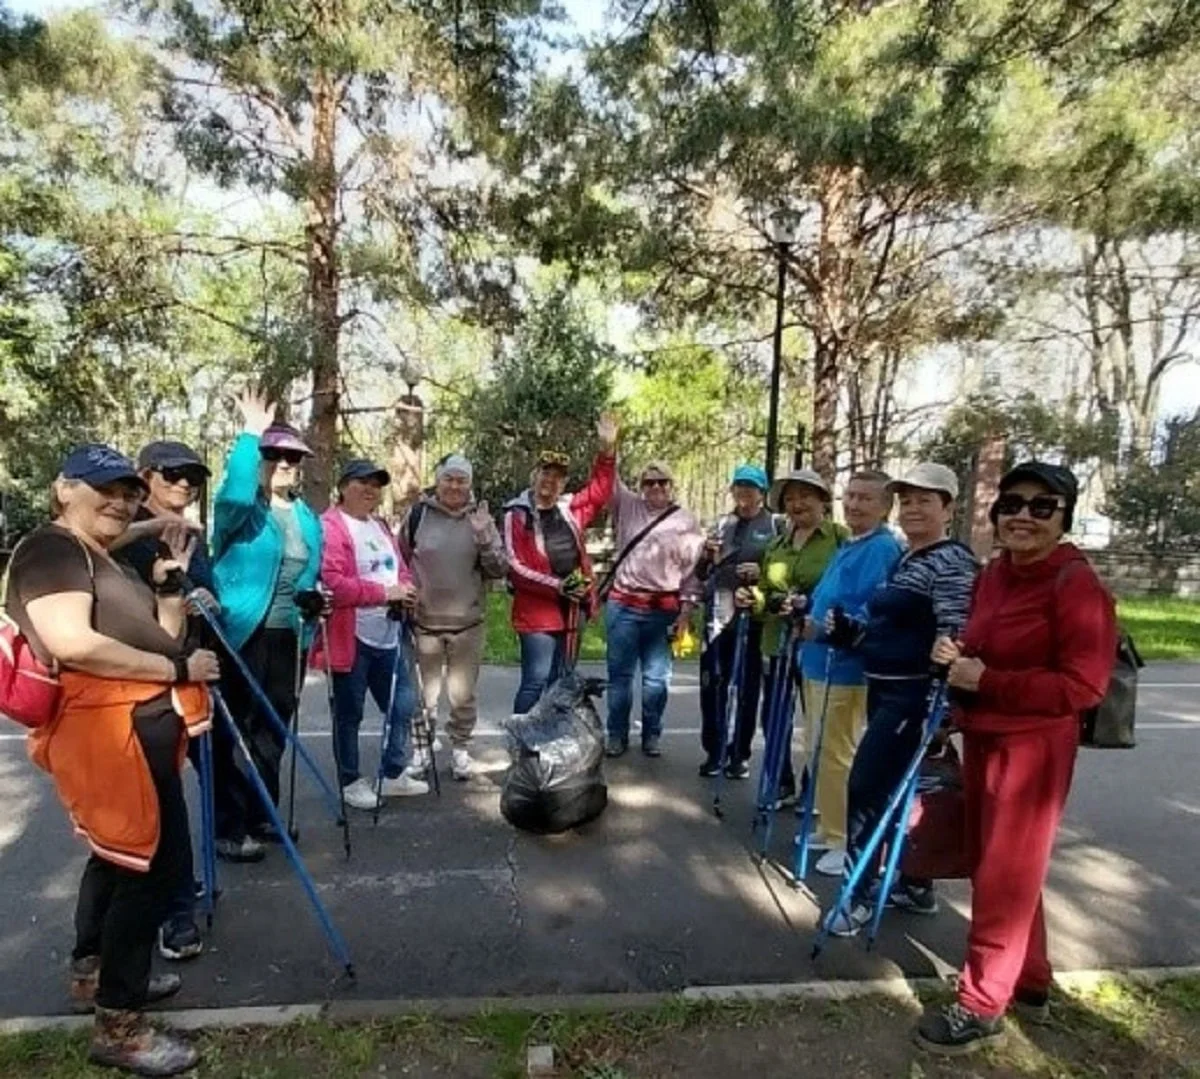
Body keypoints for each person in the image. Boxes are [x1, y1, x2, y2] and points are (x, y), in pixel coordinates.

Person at [5, 445, 220, 1076]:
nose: (122, 501)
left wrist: (168, 587)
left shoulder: (99, 556)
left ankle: (92, 976)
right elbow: (74, 643)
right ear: (62, 489)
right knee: (154, 870)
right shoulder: (51, 551)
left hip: (138, 732)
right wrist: (177, 667)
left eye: (130, 490)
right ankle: (119, 1028)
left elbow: (162, 628)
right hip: (108, 735)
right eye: (107, 488)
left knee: (117, 858)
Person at [915, 462, 1117, 1055]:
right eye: (1012, 504)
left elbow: (1084, 687)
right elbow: (981, 647)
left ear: (1063, 518)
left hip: (1033, 749)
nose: (1023, 516)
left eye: (1042, 506)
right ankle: (1028, 980)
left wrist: (990, 680)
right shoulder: (996, 573)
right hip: (983, 736)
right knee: (998, 866)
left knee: (1007, 871)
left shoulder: (1075, 584)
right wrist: (954, 657)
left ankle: (981, 1004)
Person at [821, 463, 977, 935]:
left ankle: (859, 897)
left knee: (866, 790)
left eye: (924, 501)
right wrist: (851, 632)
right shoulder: (909, 558)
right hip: (886, 688)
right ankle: (914, 883)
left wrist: (942, 705)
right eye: (906, 500)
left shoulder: (951, 561)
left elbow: (958, 636)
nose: (912, 509)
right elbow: (890, 631)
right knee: (899, 793)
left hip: (914, 700)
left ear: (948, 508)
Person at [211, 389, 323, 858]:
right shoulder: (239, 510)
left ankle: (264, 814)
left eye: (292, 458)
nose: (283, 463)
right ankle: (229, 828)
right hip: (243, 633)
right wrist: (251, 434)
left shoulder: (305, 516)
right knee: (237, 730)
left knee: (273, 729)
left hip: (288, 636)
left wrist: (316, 602)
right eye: (273, 455)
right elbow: (235, 491)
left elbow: (310, 570)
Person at [119, 441, 215, 961]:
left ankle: (180, 893)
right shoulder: (115, 539)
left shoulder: (191, 532)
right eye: (172, 474)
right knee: (156, 805)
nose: (183, 484)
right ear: (145, 477)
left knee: (185, 789)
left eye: (191, 476)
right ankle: (173, 912)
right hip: (132, 687)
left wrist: (197, 591)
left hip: (185, 673)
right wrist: (152, 534)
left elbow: (196, 592)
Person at [799, 470, 903, 875]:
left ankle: (845, 838)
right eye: (851, 496)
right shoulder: (850, 543)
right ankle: (828, 825)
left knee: (836, 751)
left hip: (842, 663)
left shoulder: (881, 548)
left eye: (866, 498)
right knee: (817, 749)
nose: (855, 504)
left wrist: (824, 626)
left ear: (884, 507)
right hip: (816, 659)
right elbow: (828, 595)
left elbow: (872, 610)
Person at [317, 459, 428, 809]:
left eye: (376, 484)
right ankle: (350, 780)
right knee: (349, 713)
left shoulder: (379, 525)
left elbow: (401, 568)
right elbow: (333, 583)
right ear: (343, 486)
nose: (369, 489)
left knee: (402, 706)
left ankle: (393, 773)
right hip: (351, 636)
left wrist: (407, 589)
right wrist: (384, 594)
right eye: (361, 482)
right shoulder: (330, 526)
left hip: (388, 633)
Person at [398, 454, 508, 781]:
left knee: (463, 695)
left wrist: (485, 538)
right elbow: (400, 559)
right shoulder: (418, 515)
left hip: (467, 625)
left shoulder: (481, 518)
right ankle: (421, 749)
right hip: (425, 623)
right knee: (422, 694)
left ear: (470, 484)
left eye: (462, 480)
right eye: (450, 478)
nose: (455, 485)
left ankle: (460, 751)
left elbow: (499, 568)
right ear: (439, 480)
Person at [503, 414, 619, 714]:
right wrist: (559, 586)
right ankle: (522, 739)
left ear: (563, 482)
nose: (550, 480)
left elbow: (599, 492)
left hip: (573, 609)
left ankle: (552, 739)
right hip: (537, 612)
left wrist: (607, 452)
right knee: (536, 680)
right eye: (545, 473)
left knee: (562, 679)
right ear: (534, 475)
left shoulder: (569, 509)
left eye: (557, 476)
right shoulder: (517, 514)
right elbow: (515, 567)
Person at [747, 468, 848, 805]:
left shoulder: (840, 539)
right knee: (775, 715)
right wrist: (758, 600)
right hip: (777, 640)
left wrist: (813, 605)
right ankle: (780, 783)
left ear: (823, 500)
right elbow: (764, 592)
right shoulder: (777, 544)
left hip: (819, 644)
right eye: (790, 498)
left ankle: (815, 787)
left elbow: (849, 589)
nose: (797, 503)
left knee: (818, 718)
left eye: (805, 495)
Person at [603, 461, 705, 758]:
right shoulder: (628, 507)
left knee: (656, 679)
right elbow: (607, 480)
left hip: (664, 609)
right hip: (624, 605)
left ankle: (652, 734)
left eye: (662, 482)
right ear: (640, 487)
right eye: (649, 483)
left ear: (671, 486)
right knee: (620, 677)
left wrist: (686, 613)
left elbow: (692, 575)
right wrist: (609, 448)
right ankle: (616, 734)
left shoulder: (686, 521)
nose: (656, 487)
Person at [696, 464, 777, 780]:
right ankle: (714, 751)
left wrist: (761, 577)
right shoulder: (721, 523)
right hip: (718, 615)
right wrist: (706, 554)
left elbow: (781, 568)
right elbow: (701, 573)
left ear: (762, 492)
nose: (744, 492)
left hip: (754, 617)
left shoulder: (774, 525)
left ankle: (738, 754)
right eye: (739, 486)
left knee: (746, 689)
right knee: (713, 685)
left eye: (751, 487)